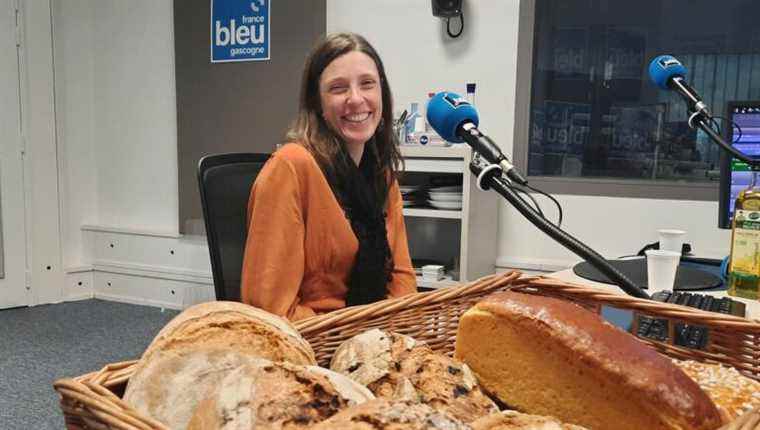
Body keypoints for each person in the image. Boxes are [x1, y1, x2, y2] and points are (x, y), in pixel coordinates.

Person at [240, 33, 417, 321]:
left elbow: (402, 279)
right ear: (317, 104)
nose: (356, 99)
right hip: (313, 344)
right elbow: (271, 307)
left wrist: (390, 333)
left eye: (367, 84)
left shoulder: (381, 174)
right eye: (338, 88)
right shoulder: (290, 167)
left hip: (375, 336)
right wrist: (349, 341)